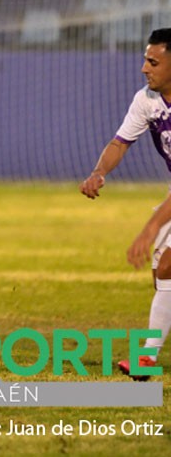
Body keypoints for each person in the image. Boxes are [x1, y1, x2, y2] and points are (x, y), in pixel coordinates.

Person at [80, 28, 171, 381]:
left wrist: (149, 229)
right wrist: (99, 171)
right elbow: (120, 142)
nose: (144, 69)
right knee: (161, 276)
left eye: (153, 62)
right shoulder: (146, 99)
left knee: (166, 269)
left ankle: (147, 358)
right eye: (145, 60)